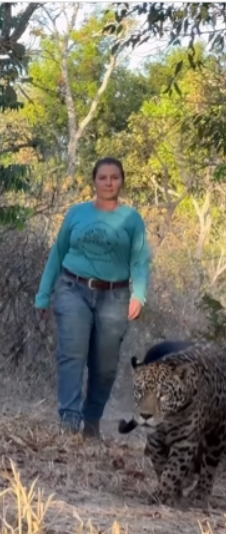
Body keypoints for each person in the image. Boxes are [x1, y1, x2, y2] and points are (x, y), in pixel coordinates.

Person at [34, 157, 151, 437]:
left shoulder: (132, 219)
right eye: (103, 177)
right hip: (73, 288)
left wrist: (139, 294)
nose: (109, 182)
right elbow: (58, 253)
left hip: (115, 295)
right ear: (94, 181)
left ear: (122, 181)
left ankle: (91, 420)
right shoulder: (77, 214)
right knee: (71, 354)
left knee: (105, 365)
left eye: (114, 177)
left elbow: (140, 261)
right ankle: (69, 420)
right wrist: (42, 295)